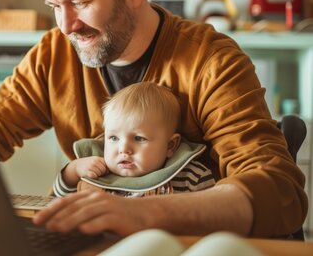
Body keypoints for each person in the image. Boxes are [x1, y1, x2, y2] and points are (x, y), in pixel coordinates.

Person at [0, 0, 307, 238]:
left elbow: (279, 192)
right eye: (55, 7)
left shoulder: (211, 61)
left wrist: (146, 212)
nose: (65, 26)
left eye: (79, 2)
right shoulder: (53, 55)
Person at [53, 82, 215, 198]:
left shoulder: (191, 178)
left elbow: (210, 219)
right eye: (114, 138)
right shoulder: (95, 173)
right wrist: (73, 171)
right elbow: (57, 201)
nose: (123, 148)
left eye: (138, 138)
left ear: (170, 145)